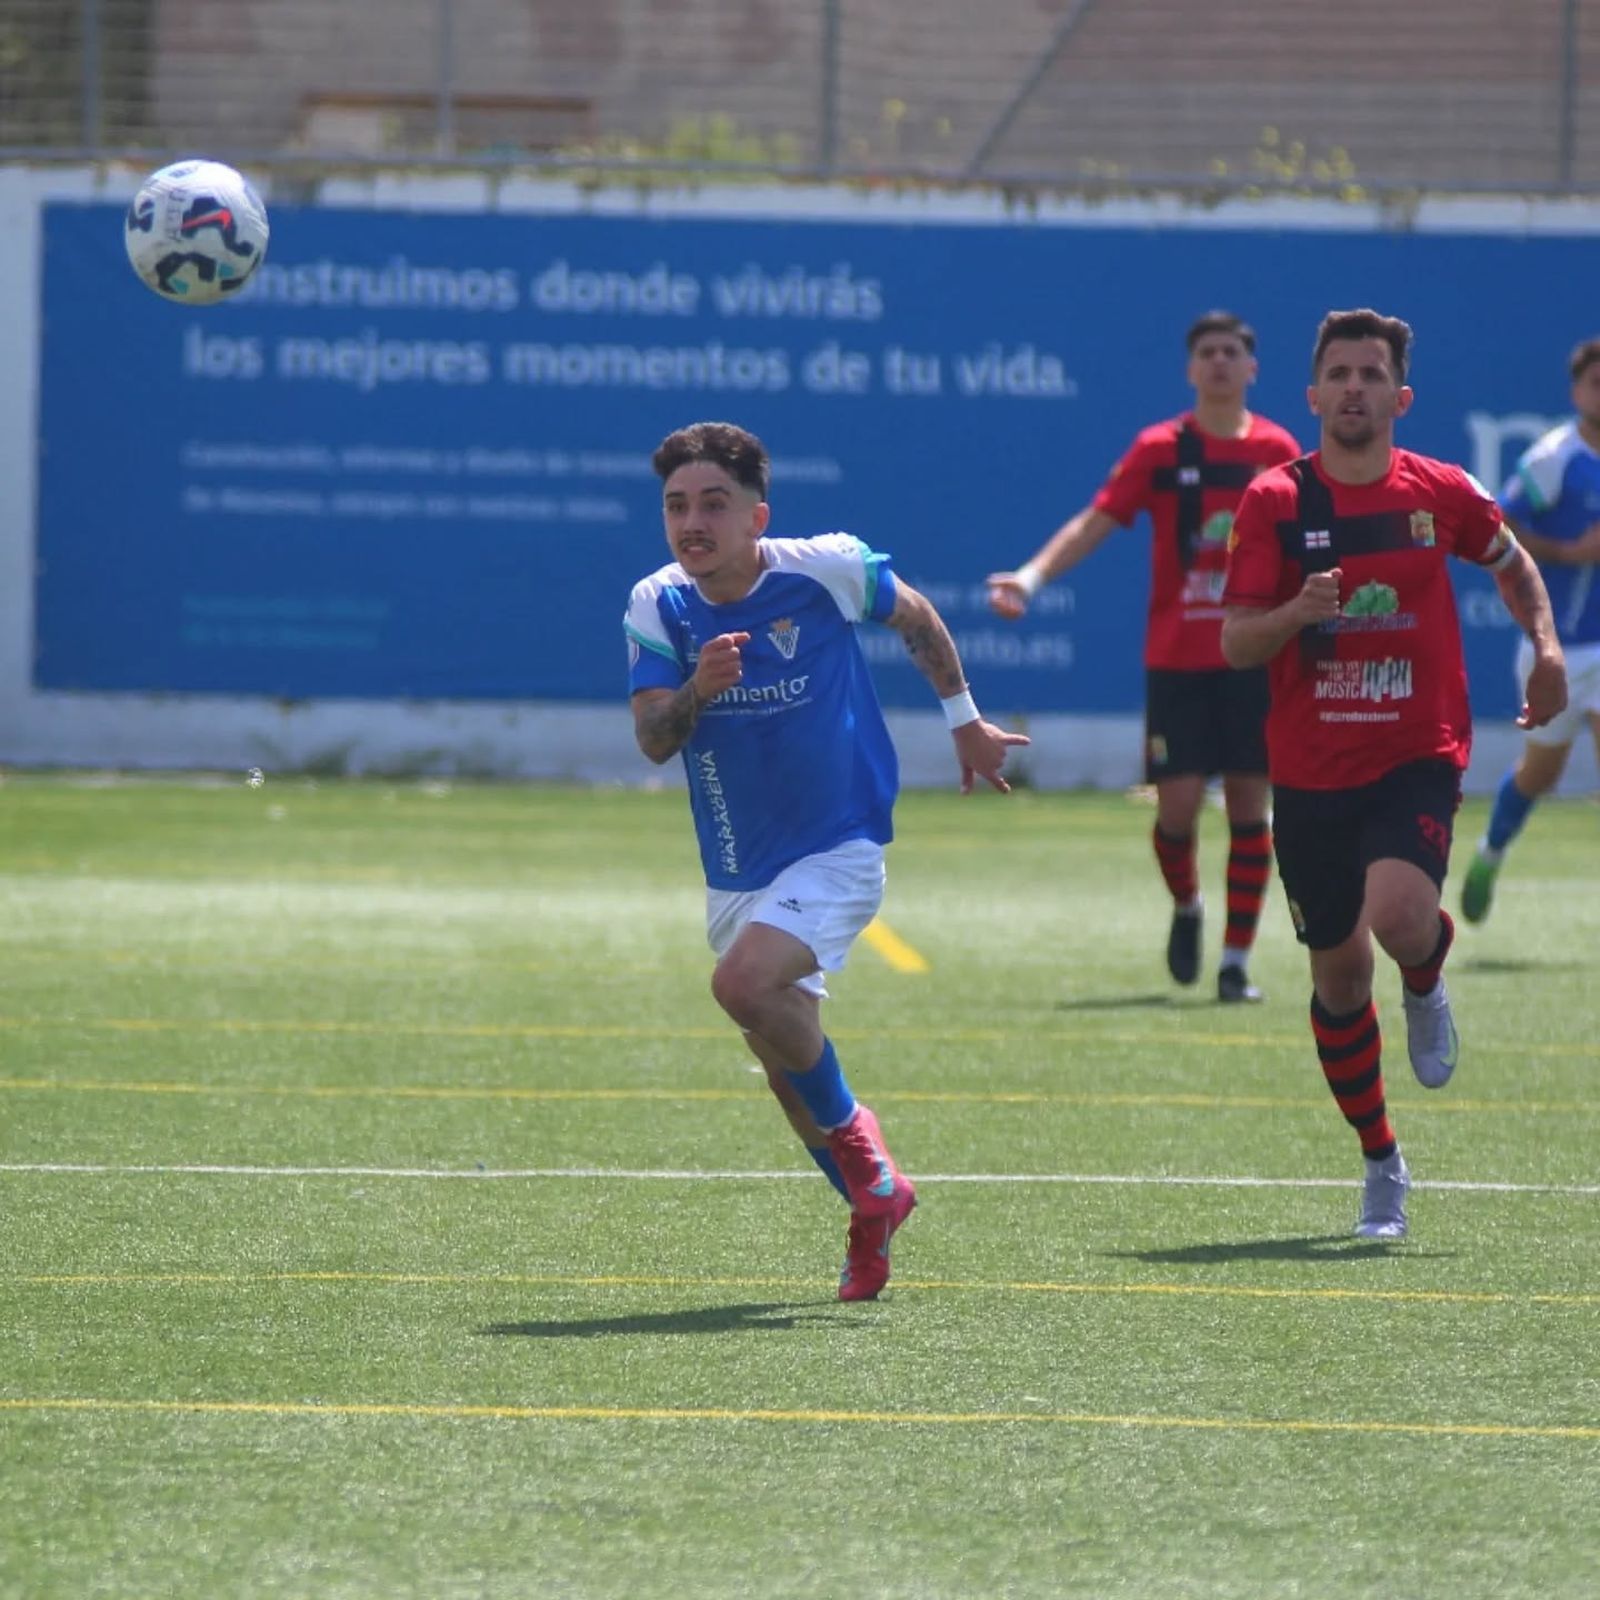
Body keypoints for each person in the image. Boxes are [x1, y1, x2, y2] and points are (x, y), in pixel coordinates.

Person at [625, 420, 1028, 1300]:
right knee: (780, 1068)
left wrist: (963, 720)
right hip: (739, 866)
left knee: (741, 987)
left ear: (757, 515)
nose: (693, 523)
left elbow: (914, 613)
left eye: (714, 505)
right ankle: (873, 1208)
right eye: (676, 505)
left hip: (839, 846)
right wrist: (698, 689)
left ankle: (862, 1154)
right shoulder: (659, 605)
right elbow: (655, 740)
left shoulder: (825, 567)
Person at [1221, 308, 1566, 1239]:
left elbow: (1513, 560)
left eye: (1372, 375)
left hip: (1417, 752)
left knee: (1401, 917)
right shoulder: (1276, 504)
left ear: (1400, 397)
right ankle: (1382, 1158)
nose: (1354, 390)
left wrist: (1543, 645)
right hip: (1311, 772)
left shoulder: (1440, 492)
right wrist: (1298, 609)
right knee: (1337, 977)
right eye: (1338, 374)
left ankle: (1424, 975)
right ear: (1312, 395)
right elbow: (1237, 641)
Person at [987, 311, 1301, 1003]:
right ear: (1191, 370)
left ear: (1251, 369)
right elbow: (1097, 519)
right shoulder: (1161, 449)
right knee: (1178, 811)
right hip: (1179, 660)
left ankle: (1236, 963)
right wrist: (1032, 577)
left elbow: (1309, 539)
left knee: (1253, 806)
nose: (1219, 363)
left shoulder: (1278, 449)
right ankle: (1187, 906)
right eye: (1207, 353)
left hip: (1251, 656)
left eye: (1231, 353)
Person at [1459, 336, 1600, 924]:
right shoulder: (1554, 458)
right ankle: (1490, 852)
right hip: (1562, 649)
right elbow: (1503, 528)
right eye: (1596, 382)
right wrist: (1568, 550)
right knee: (1541, 773)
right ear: (1576, 391)